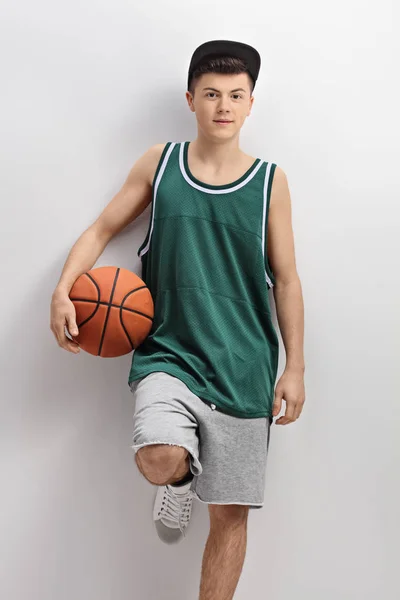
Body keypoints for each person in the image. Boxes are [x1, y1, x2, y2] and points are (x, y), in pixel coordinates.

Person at [50, 39, 305, 600]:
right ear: (191, 99)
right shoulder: (160, 164)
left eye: (236, 95)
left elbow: (286, 281)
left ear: (250, 104)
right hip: (170, 354)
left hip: (245, 368)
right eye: (212, 94)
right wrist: (64, 290)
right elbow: (100, 229)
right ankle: (181, 478)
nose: (223, 106)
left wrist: (295, 369)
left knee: (231, 517)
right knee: (160, 455)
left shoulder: (269, 183)